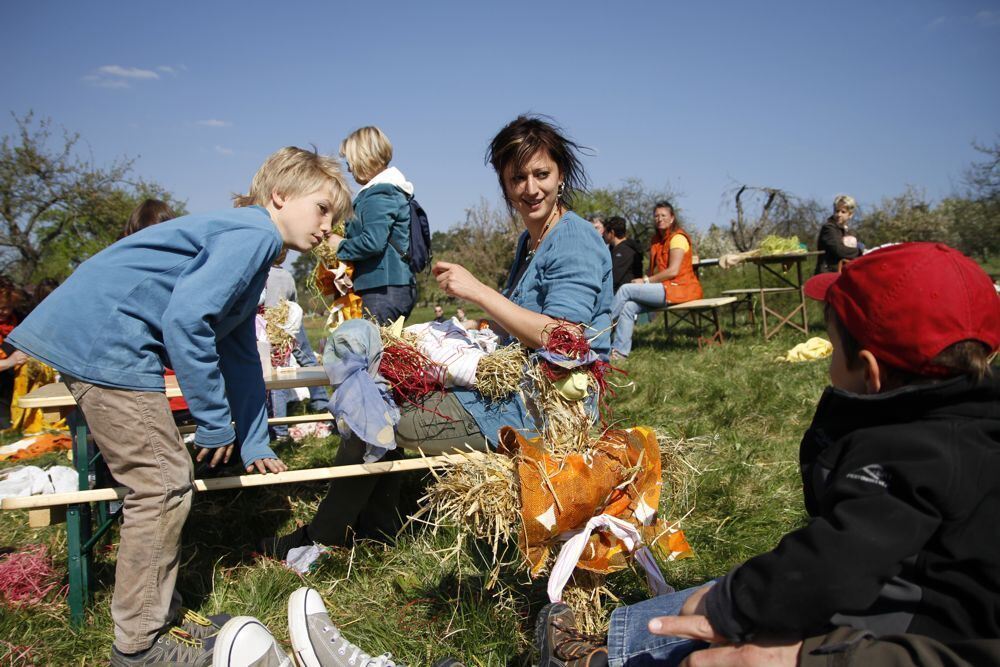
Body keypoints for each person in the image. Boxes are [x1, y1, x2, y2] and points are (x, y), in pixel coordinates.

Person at [536, 242, 1000, 667]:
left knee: (716, 620)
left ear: (869, 372)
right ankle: (620, 640)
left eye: (834, 350)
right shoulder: (969, 432)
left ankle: (604, 659)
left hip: (916, 633)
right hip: (930, 617)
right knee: (724, 597)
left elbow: (834, 565)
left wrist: (733, 601)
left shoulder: (910, 456)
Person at [6, 146, 353, 666]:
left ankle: (160, 612)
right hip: (105, 341)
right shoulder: (254, 234)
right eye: (323, 208)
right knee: (162, 484)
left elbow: (236, 350)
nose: (328, 227)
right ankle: (140, 645)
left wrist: (254, 436)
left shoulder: (252, 243)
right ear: (280, 196)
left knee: (161, 481)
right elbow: (188, 322)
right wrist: (215, 422)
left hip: (107, 339)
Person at [263, 114, 613, 554]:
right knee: (378, 390)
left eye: (541, 174)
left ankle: (329, 537)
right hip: (508, 387)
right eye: (517, 177)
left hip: (544, 408)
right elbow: (520, 326)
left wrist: (479, 291)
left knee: (372, 415)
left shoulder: (573, 239)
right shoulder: (533, 240)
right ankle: (372, 528)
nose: (531, 188)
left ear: (560, 174)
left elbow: (565, 338)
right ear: (504, 184)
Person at [326, 126, 416, 324]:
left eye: (350, 161)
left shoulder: (379, 193)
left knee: (369, 350)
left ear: (363, 157)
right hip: (386, 287)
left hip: (382, 289)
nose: (349, 168)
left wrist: (339, 245)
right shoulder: (386, 190)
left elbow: (373, 242)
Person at [609, 202, 701, 359]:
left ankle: (594, 333)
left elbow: (673, 271)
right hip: (666, 288)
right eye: (656, 216)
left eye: (663, 215)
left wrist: (645, 281)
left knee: (625, 289)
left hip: (682, 289)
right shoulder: (656, 240)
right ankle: (619, 353)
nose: (659, 219)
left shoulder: (678, 238)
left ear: (672, 218)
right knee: (629, 307)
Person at [263, 248, 329, 440]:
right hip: (290, 323)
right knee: (308, 359)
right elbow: (293, 303)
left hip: (270, 328)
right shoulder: (286, 275)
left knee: (275, 378)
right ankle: (321, 401)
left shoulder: (261, 275)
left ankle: (279, 431)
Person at [815, 194, 862, 274]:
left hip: (842, 272)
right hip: (828, 273)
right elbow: (839, 250)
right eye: (837, 211)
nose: (839, 214)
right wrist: (860, 252)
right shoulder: (829, 228)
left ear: (850, 215)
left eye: (843, 212)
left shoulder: (847, 231)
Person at [603, 216, 644, 292]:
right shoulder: (619, 249)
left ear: (612, 233)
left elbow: (613, 278)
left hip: (623, 295)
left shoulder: (624, 251)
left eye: (605, 232)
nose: (603, 235)